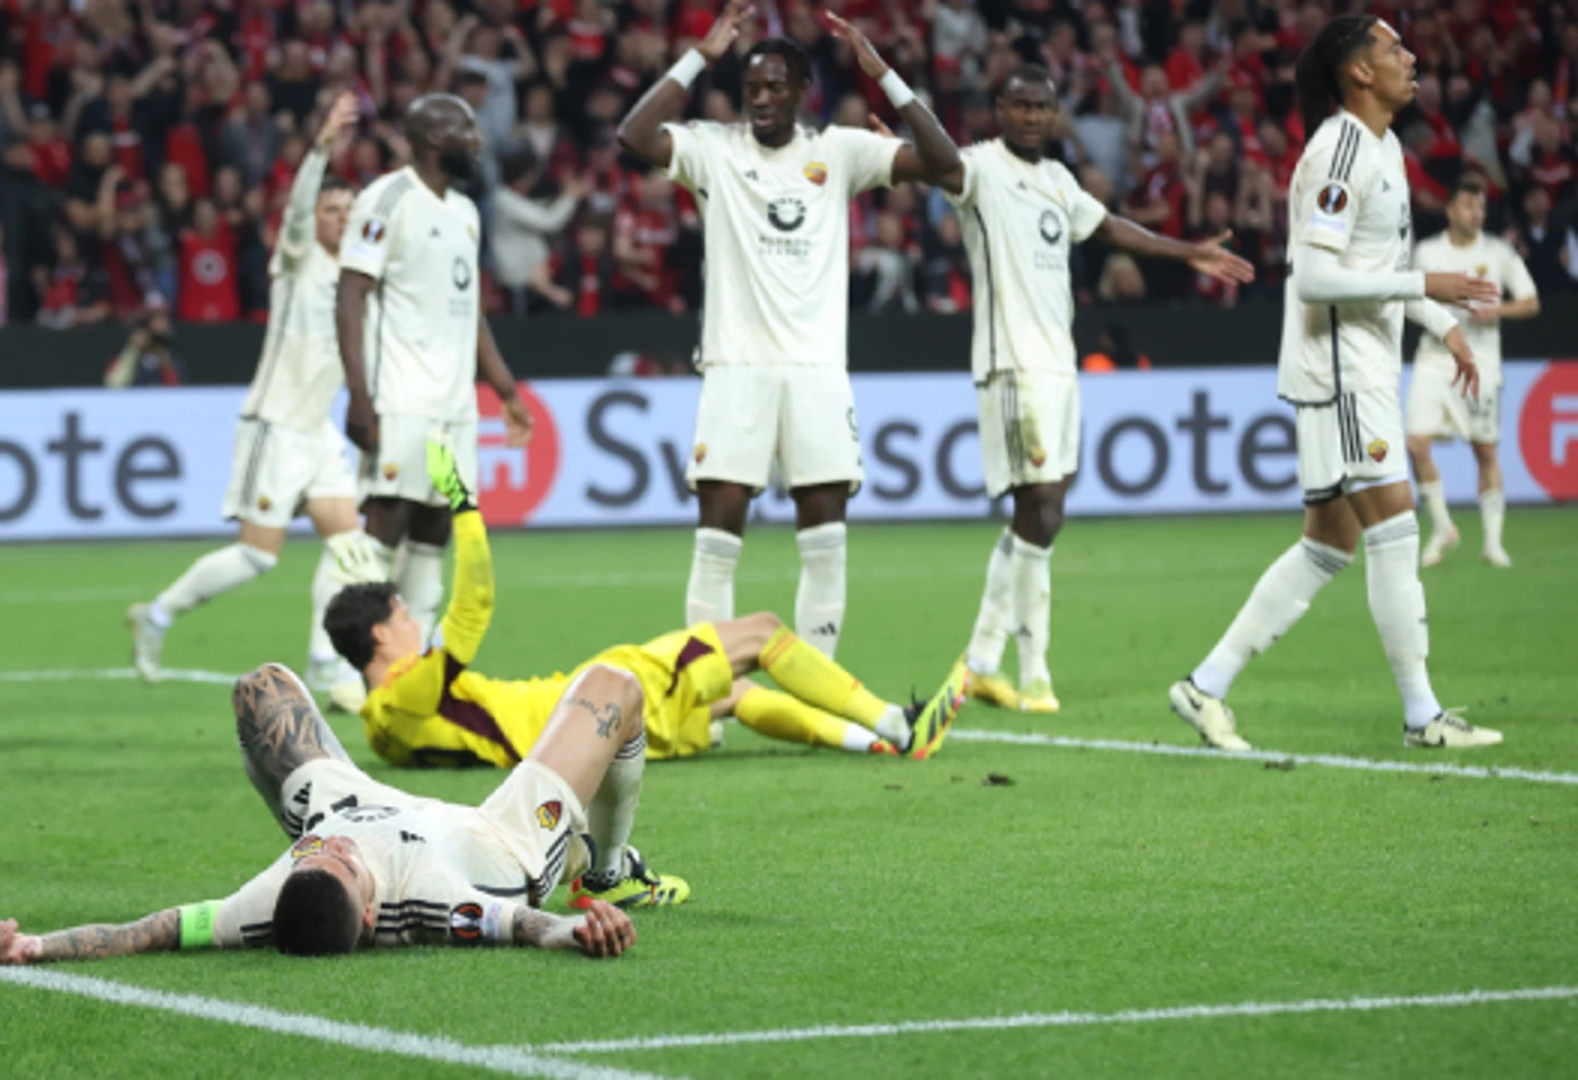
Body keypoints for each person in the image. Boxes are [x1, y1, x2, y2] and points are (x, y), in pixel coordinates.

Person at [324, 438, 968, 909]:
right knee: (763, 632)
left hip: (579, 751)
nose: (414, 620)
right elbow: (474, 606)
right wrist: (464, 503)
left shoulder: (382, 728)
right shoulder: (405, 692)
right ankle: (898, 725)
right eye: (403, 613)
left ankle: (872, 741)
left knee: (736, 695)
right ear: (381, 634)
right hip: (589, 704)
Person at [1169, 16, 1504, 753]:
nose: (1411, 59)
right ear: (1359, 73)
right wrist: (1427, 281)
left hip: (1362, 359)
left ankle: (1205, 685)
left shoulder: (1380, 146)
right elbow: (1316, 276)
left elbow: (1365, 267)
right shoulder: (1342, 148)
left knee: (1329, 544)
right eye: (1394, 50)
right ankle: (1422, 716)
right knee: (1394, 526)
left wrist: (1439, 322)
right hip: (1343, 366)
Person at [614, 4, 961, 663]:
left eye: (776, 87)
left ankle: (821, 688)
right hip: (735, 367)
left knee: (825, 538)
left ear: (803, 91)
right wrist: (700, 56)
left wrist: (882, 72)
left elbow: (943, 163)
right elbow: (633, 135)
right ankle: (707, 694)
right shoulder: (714, 149)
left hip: (817, 372)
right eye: (752, 89)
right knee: (717, 540)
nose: (762, 100)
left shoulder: (839, 151)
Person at [938, 64, 1253, 714]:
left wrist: (1186, 251)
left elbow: (1110, 228)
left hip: (1060, 366)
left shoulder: (1058, 180)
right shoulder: (980, 167)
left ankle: (980, 661)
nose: (1030, 116)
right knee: (1044, 511)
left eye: (1041, 107)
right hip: (1014, 365)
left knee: (1035, 516)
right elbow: (933, 165)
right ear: (999, 107)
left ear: (1054, 115)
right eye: (1019, 105)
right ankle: (1036, 674)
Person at [0, 661, 654, 962]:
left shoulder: (268, 901)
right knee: (614, 688)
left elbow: (145, 932)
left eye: (315, 853)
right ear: (370, 914)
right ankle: (609, 866)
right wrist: (581, 932)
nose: (329, 850)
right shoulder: (430, 902)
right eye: (344, 865)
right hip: (493, 842)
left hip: (363, 806)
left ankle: (315, 795)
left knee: (260, 691)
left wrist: (34, 946)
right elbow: (528, 925)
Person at [129, 96, 386, 713]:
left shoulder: (358, 276)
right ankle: (157, 615)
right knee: (255, 557)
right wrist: (321, 146)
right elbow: (296, 211)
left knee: (351, 548)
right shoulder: (297, 261)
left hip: (318, 431)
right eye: (332, 208)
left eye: (349, 208)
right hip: (274, 424)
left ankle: (324, 667)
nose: (340, 216)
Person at [336, 93, 533, 639]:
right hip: (401, 398)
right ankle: (352, 665)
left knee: (433, 531)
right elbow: (350, 294)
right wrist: (358, 395)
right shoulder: (388, 197)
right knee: (385, 528)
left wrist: (506, 392)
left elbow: (471, 316)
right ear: (434, 140)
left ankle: (412, 663)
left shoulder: (466, 213)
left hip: (456, 406)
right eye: (468, 131)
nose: (479, 140)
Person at [1405, 179, 1539, 570]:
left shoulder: (1498, 253)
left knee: (1485, 450)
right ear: (1450, 210)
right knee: (1416, 444)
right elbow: (1410, 299)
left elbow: (1531, 302)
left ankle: (1493, 543)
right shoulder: (1427, 252)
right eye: (1467, 205)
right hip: (1433, 357)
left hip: (1480, 360)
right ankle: (1444, 527)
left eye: (1479, 206)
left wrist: (1494, 312)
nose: (1475, 213)